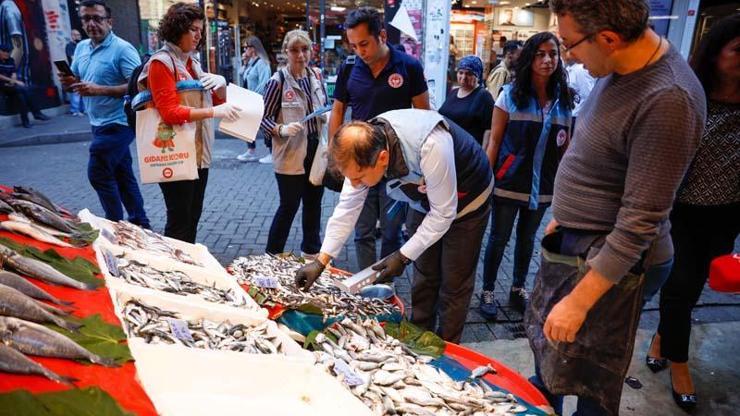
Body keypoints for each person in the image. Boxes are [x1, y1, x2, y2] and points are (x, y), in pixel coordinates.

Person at [525, 1, 706, 415]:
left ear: (608, 38)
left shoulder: (668, 100)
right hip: (577, 241)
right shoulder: (617, 68)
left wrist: (579, 301)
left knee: (591, 379)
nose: (567, 56)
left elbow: (639, 223)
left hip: (614, 262)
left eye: (569, 45)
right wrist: (566, 215)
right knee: (550, 358)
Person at [295, 109, 492, 343]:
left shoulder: (432, 146)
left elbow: (443, 214)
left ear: (382, 159)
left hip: (469, 196)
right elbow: (347, 207)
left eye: (359, 177)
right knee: (425, 272)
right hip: (425, 197)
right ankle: (419, 336)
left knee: (454, 280)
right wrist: (321, 260)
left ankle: (447, 345)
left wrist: (403, 255)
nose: (356, 184)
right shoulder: (363, 146)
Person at [646, 14, 739, 411]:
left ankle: (662, 339)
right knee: (679, 285)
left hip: (728, 213)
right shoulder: (689, 92)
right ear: (716, 51)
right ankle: (680, 365)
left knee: (698, 283)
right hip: (681, 210)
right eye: (738, 50)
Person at [480, 32, 574, 321]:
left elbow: (566, 147)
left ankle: (518, 288)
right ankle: (487, 291)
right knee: (498, 238)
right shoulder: (510, 95)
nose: (547, 60)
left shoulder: (565, 100)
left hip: (543, 186)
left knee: (527, 239)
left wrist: (566, 187)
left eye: (553, 54)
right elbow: (494, 141)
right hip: (510, 183)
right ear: (530, 58)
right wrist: (485, 180)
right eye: (540, 54)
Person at [329, 6, 430, 271]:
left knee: (392, 231)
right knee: (362, 230)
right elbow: (337, 111)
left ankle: (384, 285)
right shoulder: (349, 68)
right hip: (360, 160)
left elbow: (424, 115)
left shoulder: (408, 66)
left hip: (395, 165)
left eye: (364, 43)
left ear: (382, 36)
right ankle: (364, 284)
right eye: (353, 46)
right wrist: (335, 154)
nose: (359, 51)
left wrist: (423, 163)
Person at [136, 2, 239, 243]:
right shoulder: (161, 62)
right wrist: (213, 112)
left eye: (201, 31)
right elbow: (169, 112)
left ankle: (188, 263)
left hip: (198, 153)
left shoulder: (192, 63)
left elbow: (213, 98)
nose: (199, 35)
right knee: (179, 219)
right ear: (177, 28)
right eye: (193, 29)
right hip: (173, 152)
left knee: (193, 215)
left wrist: (222, 84)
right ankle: (175, 268)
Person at [59, 0, 150, 228]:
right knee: (122, 175)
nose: (91, 24)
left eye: (97, 18)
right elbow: (77, 82)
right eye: (86, 19)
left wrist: (100, 90)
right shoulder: (81, 48)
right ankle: (141, 224)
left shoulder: (123, 49)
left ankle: (115, 226)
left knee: (98, 173)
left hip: (121, 122)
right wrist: (69, 83)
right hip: (97, 123)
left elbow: (139, 86)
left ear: (109, 21)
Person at [260, 29, 328, 257]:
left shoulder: (316, 76)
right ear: (285, 52)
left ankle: (311, 251)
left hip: (316, 150)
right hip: (290, 153)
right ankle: (272, 253)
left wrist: (327, 116)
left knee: (314, 204)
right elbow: (263, 119)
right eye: (295, 50)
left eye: (305, 49)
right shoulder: (277, 81)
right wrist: (282, 129)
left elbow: (325, 104)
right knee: (289, 205)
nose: (301, 55)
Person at [438, 55, 493, 146]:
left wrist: (484, 155)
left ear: (477, 76)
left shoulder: (484, 96)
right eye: (461, 72)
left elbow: (489, 130)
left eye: (469, 74)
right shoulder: (453, 92)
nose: (463, 77)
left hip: (469, 151)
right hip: (448, 148)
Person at [236, 36, 272, 162]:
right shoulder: (251, 63)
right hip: (248, 99)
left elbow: (264, 83)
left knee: (265, 125)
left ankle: (272, 153)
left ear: (254, 48)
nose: (245, 50)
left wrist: (254, 97)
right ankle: (251, 151)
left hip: (257, 99)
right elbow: (241, 74)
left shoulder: (262, 63)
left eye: (247, 47)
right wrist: (245, 63)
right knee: (247, 125)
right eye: (244, 47)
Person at [0, 44, 49, 128]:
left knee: (21, 96)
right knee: (23, 89)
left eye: (8, 52)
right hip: (2, 85)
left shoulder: (10, 60)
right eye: (4, 51)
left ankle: (26, 121)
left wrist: (13, 80)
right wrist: (13, 81)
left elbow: (14, 72)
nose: (6, 53)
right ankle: (36, 113)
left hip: (12, 85)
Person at [562, 44, 594, 121]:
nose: (563, 54)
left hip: (577, 116)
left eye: (565, 51)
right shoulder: (569, 68)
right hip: (570, 114)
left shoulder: (580, 70)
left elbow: (588, 95)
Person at [65, 29, 85, 116]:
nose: (78, 37)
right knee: (76, 90)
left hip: (81, 69)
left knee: (82, 89)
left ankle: (83, 109)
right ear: (72, 36)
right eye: (76, 35)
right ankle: (75, 110)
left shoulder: (80, 45)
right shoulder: (70, 46)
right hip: (74, 70)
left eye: (79, 35)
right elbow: (73, 58)